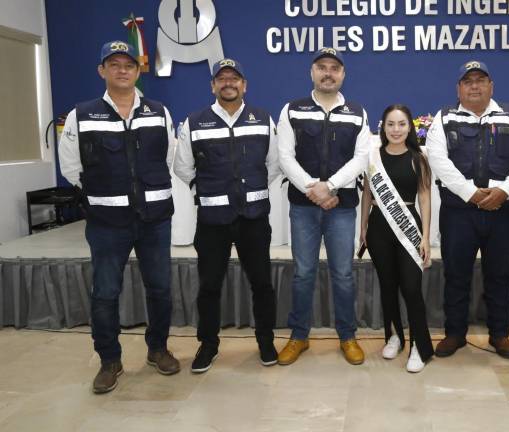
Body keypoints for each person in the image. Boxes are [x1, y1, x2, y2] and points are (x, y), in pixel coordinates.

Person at [58, 41, 179, 393]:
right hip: (107, 223)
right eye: (114, 64)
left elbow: (168, 157)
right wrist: (107, 194)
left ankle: (158, 349)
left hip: (155, 218)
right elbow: (71, 168)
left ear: (138, 71)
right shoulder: (82, 115)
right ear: (102, 71)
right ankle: (110, 359)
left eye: (128, 64)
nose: (122, 70)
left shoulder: (159, 112)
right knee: (106, 292)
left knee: (160, 288)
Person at [174, 58, 281, 373]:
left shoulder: (262, 119)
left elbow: (273, 164)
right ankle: (208, 345)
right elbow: (183, 166)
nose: (228, 82)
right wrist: (204, 188)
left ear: (244, 84)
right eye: (222, 78)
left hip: (253, 218)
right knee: (209, 286)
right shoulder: (195, 122)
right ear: (213, 86)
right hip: (212, 221)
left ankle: (265, 341)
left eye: (234, 77)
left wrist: (253, 189)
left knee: (262, 283)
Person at [277, 47, 370, 365]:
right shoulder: (292, 109)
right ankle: (298, 336)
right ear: (312, 72)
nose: (328, 72)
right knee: (303, 274)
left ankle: (348, 336)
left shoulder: (357, 111)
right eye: (322, 67)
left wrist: (329, 186)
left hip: (341, 206)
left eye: (335, 68)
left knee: (343, 274)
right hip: (303, 206)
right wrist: (312, 188)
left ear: (343, 74)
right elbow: (285, 157)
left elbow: (361, 158)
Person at [425, 60, 509, 359]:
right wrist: (471, 194)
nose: (475, 86)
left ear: (491, 85)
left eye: (481, 80)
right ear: (459, 88)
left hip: (502, 211)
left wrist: (504, 191)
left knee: (500, 274)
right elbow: (439, 162)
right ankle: (455, 334)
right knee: (456, 275)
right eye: (468, 81)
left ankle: (500, 335)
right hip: (459, 214)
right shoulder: (444, 118)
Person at [360, 104, 435, 373]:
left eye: (401, 124)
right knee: (387, 285)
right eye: (390, 124)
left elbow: (425, 199)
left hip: (408, 228)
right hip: (379, 226)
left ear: (410, 127)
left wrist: (425, 237)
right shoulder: (373, 157)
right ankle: (394, 336)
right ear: (383, 127)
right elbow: (367, 195)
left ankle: (419, 346)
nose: (396, 129)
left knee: (412, 288)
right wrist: (363, 228)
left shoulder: (419, 157)